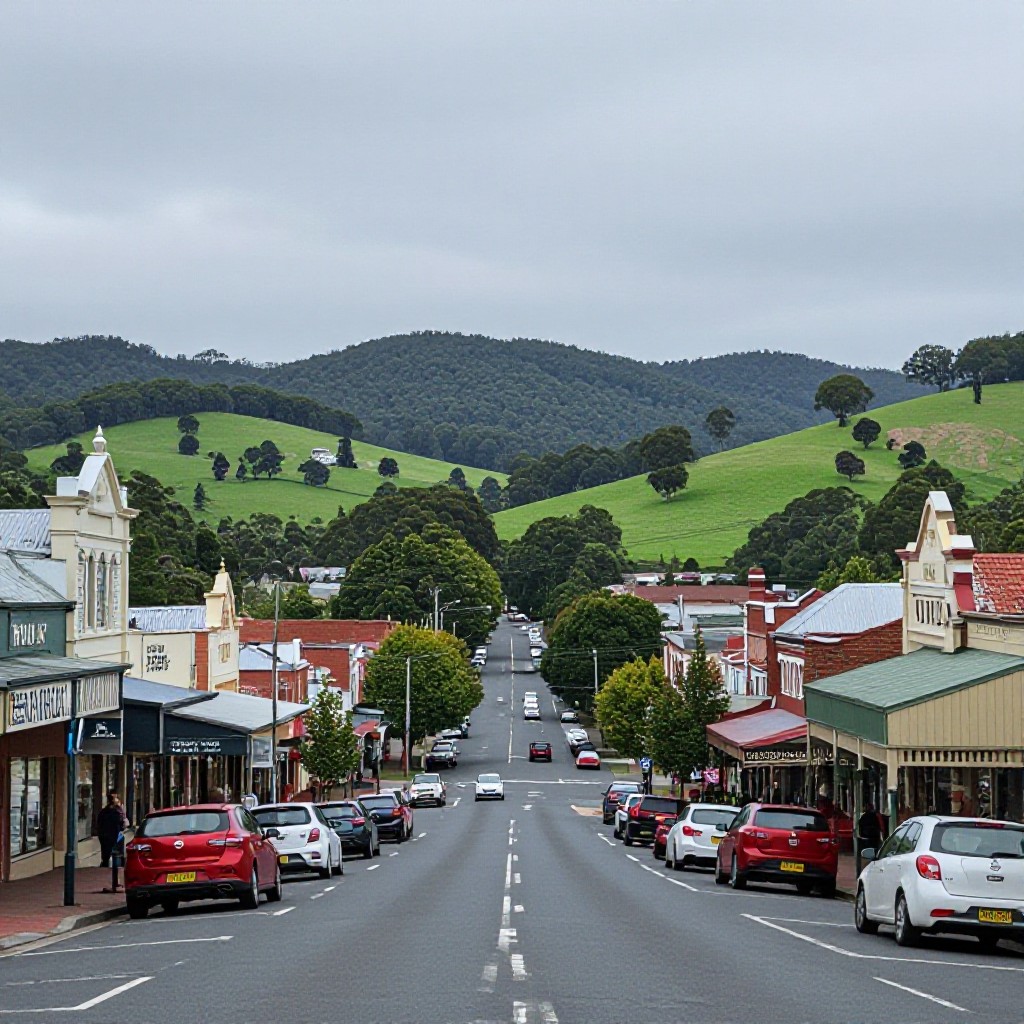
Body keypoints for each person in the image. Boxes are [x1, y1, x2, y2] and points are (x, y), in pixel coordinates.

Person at [97, 791, 129, 869]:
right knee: (115, 853)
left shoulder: (103, 812)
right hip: (112, 835)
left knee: (105, 853)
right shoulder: (116, 812)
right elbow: (123, 824)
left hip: (103, 835)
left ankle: (105, 864)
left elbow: (98, 823)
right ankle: (113, 866)